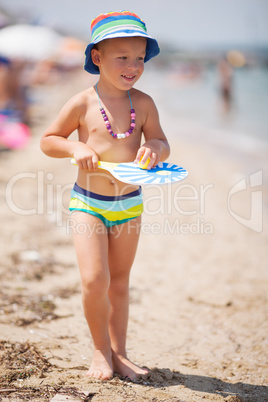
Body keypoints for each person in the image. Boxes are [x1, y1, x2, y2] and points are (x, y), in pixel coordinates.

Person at [40, 11, 170, 381]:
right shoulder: (82, 103)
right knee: (95, 279)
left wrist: (156, 150)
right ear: (97, 58)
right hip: (89, 203)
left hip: (129, 203)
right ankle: (99, 351)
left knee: (120, 282)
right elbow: (49, 140)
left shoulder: (142, 103)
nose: (134, 66)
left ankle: (120, 353)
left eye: (140, 58)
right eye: (123, 57)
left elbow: (160, 139)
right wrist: (72, 149)